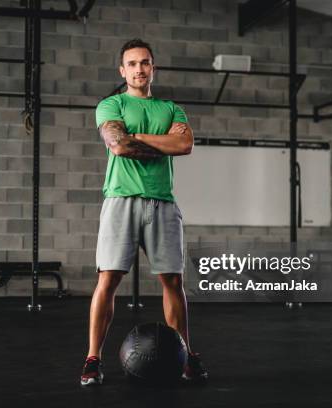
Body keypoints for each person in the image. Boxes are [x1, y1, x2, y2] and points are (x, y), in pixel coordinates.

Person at [80, 38, 208, 386]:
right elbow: (118, 146)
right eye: (132, 63)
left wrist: (134, 136)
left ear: (153, 68)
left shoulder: (171, 108)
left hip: (163, 203)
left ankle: (185, 355)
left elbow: (184, 144)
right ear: (122, 71)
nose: (139, 69)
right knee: (108, 278)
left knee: (174, 281)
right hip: (121, 200)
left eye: (145, 62)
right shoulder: (111, 104)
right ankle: (93, 358)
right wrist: (155, 141)